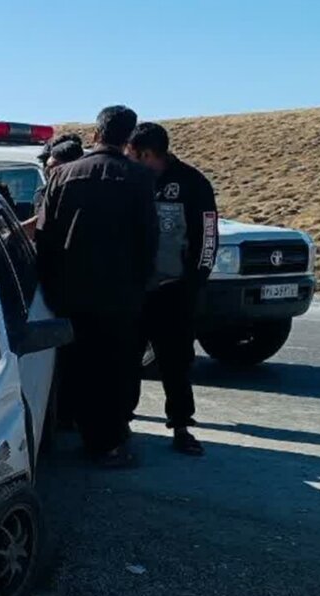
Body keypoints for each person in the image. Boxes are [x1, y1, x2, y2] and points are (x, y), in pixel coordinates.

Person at [36, 105, 159, 468]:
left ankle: (74, 426)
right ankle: (106, 441)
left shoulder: (64, 176)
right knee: (115, 368)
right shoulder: (138, 178)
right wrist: (140, 284)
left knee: (76, 363)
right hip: (119, 295)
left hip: (72, 293)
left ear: (95, 134)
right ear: (128, 138)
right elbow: (148, 240)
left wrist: (50, 287)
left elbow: (46, 238)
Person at [126, 122, 218, 457]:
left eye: (133, 154)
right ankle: (122, 423)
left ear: (147, 153)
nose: (128, 158)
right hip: (134, 292)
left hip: (175, 291)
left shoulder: (192, 183)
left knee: (176, 363)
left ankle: (181, 425)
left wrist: (194, 281)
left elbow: (208, 236)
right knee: (127, 360)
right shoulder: (128, 180)